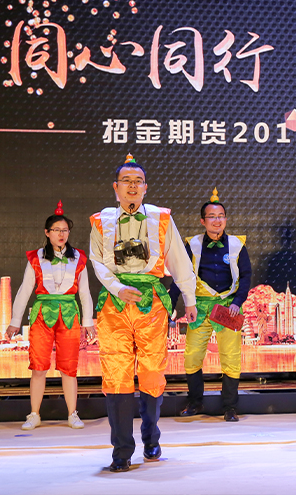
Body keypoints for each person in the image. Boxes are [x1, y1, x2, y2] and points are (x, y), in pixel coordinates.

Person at [89, 154, 197, 473]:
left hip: (151, 301)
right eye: (127, 181)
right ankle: (121, 450)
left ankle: (151, 437)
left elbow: (179, 259)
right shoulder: (101, 220)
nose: (132, 186)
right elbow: (97, 260)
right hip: (115, 303)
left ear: (146, 188)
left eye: (138, 182)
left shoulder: (161, 218)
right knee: (116, 373)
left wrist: (189, 299)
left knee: (152, 372)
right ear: (116, 187)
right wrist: (116, 287)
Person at [6, 202, 95, 431]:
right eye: (56, 230)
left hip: (69, 314)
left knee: (69, 367)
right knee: (38, 366)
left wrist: (88, 322)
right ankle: (34, 414)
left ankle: (72, 413)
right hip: (42, 315)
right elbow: (24, 290)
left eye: (65, 230)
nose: (61, 234)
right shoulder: (36, 258)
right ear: (47, 233)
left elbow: (84, 293)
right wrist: (15, 322)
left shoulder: (79, 258)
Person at [170, 188, 252, 422]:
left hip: (228, 307)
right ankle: (195, 402)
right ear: (202, 221)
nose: (217, 221)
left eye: (221, 216)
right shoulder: (193, 245)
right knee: (192, 355)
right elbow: (181, 276)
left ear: (226, 219)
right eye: (212, 217)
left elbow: (246, 275)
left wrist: (238, 301)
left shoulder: (236, 244)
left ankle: (230, 407)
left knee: (231, 357)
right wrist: (172, 303)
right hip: (199, 307)